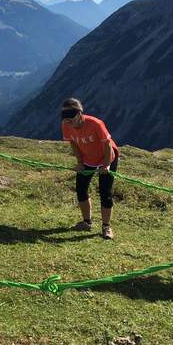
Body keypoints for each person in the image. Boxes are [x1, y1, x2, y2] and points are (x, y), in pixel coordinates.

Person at [60, 98, 120, 240]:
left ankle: (106, 227)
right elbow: (73, 143)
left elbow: (107, 145)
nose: (69, 123)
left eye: (71, 119)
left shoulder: (96, 124)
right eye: (66, 120)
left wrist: (106, 164)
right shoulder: (66, 125)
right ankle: (87, 222)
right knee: (81, 188)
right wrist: (80, 162)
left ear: (80, 114)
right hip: (88, 159)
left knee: (105, 192)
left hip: (107, 157)